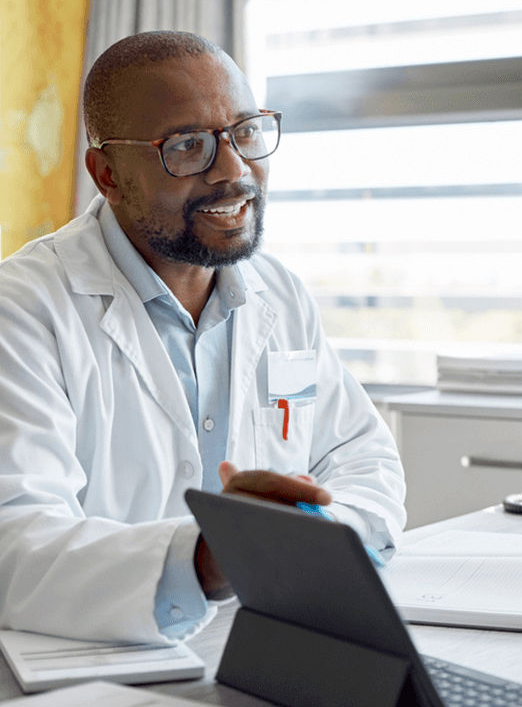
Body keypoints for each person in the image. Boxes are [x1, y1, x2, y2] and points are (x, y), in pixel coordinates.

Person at [0, 31, 407, 644]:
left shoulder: (280, 292)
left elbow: (360, 457)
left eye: (245, 131)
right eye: (187, 146)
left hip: (270, 635)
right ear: (107, 172)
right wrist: (206, 559)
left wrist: (315, 539)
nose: (234, 169)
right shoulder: (24, 310)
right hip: (95, 665)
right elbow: (15, 542)